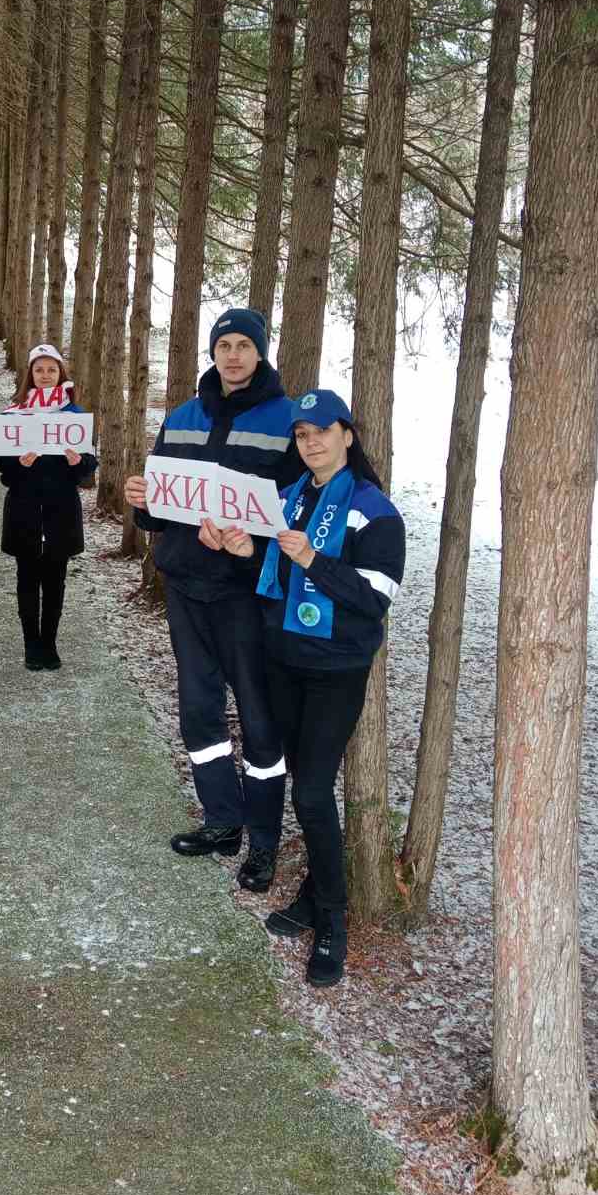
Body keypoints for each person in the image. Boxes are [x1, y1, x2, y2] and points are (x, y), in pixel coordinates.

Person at [222, 389, 405, 988]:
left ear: (347, 435)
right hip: (284, 660)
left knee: (314, 793)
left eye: (322, 431)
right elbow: (271, 575)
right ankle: (313, 892)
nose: (312, 443)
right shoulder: (288, 499)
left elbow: (376, 598)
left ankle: (333, 919)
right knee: (303, 781)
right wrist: (248, 549)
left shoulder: (375, 512)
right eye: (302, 435)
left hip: (335, 670)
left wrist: (315, 563)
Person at [123, 307, 301, 884]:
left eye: (243, 345)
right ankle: (222, 820)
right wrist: (142, 500)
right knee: (199, 710)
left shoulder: (287, 420)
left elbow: (299, 510)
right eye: (223, 344)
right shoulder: (181, 416)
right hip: (185, 585)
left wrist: (249, 539)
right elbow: (159, 507)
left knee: (257, 715)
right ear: (213, 351)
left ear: (261, 351)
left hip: (247, 594)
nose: (232, 355)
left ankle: (266, 840)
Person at [0, 343, 97, 671]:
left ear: (60, 374)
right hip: (24, 510)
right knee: (26, 580)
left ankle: (49, 644)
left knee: (55, 581)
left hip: (60, 512)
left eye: (51, 369)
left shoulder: (76, 417)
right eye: (39, 370)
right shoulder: (13, 413)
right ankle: (30, 645)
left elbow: (87, 471)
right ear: (30, 374)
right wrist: (19, 464)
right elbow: (2, 469)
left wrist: (77, 461)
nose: (45, 375)